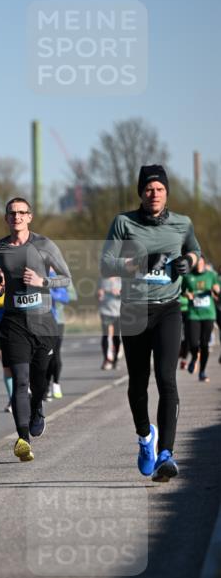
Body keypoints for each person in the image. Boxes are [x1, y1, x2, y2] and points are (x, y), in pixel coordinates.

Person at [100, 164, 200, 482]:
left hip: (168, 307)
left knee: (167, 379)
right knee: (138, 382)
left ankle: (166, 455)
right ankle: (146, 438)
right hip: (133, 309)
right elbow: (105, 264)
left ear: (166, 192)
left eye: (158, 188)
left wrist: (189, 262)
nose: (153, 193)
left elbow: (195, 252)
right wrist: (139, 263)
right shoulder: (124, 223)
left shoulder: (182, 223)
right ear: (140, 192)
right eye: (148, 188)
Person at [0, 197, 72, 462]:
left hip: (43, 321)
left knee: (38, 381)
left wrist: (43, 281)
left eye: (22, 213)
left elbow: (66, 278)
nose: (17, 217)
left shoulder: (44, 245)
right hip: (14, 322)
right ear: (6, 218)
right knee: (20, 380)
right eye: (12, 213)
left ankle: (37, 408)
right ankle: (23, 439)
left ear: (29, 217)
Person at [181, 255, 220, 382]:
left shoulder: (211, 275)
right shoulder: (187, 277)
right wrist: (187, 294)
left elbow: (217, 289)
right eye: (196, 262)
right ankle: (193, 357)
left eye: (201, 262)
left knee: (204, 344)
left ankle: (202, 371)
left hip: (208, 314)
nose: (199, 264)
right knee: (192, 342)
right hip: (193, 314)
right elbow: (181, 290)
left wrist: (216, 291)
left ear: (203, 262)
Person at [45, 268, 76, 399]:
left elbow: (71, 296)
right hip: (41, 321)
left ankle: (56, 383)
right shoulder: (36, 273)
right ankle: (45, 387)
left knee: (55, 354)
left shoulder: (61, 276)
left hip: (58, 321)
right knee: (43, 355)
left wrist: (52, 292)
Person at [97, 276, 123, 370]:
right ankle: (106, 360)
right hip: (105, 311)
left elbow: (127, 294)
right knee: (105, 335)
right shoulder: (102, 279)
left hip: (118, 312)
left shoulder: (120, 280)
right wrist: (99, 294)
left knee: (116, 336)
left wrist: (119, 293)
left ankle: (115, 360)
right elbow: (97, 294)